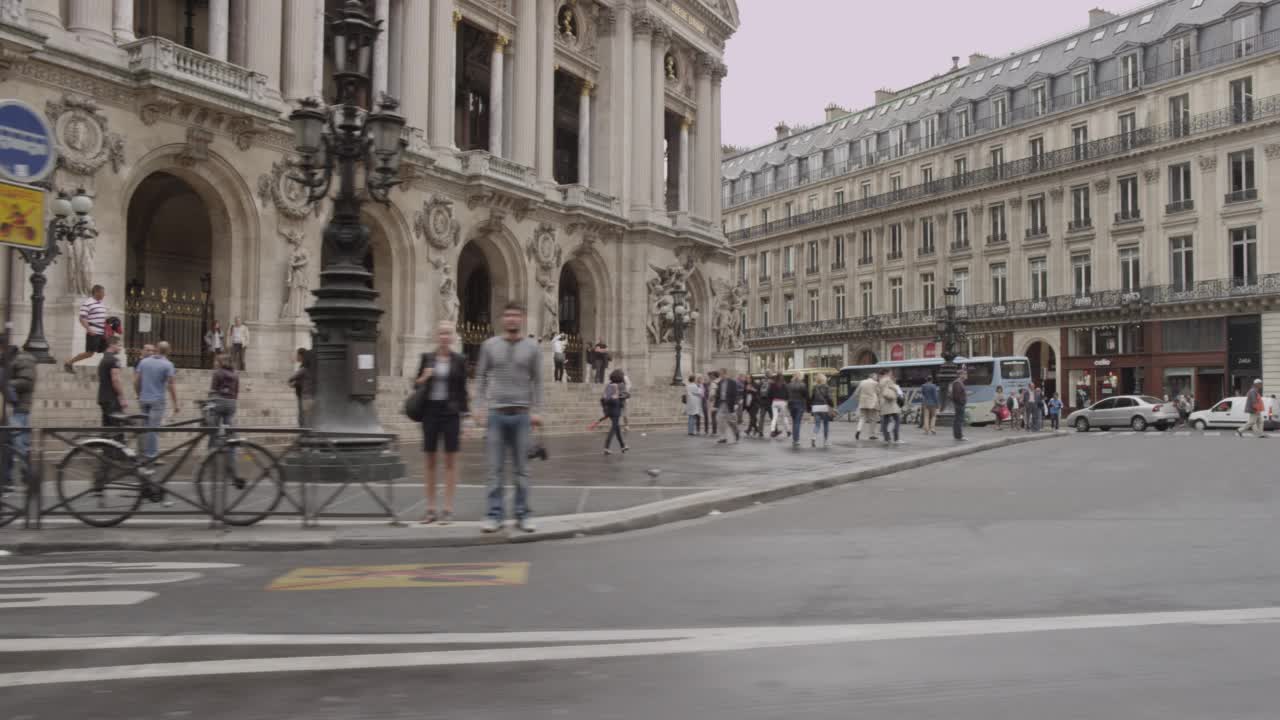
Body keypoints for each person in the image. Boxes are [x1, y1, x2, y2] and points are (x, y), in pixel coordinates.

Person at [475, 302, 543, 533]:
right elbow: (481, 377)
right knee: (494, 470)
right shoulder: (489, 345)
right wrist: (479, 406)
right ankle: (494, 515)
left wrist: (537, 410)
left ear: (522, 318)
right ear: (502, 319)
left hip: (522, 415)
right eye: (508, 315)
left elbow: (538, 381)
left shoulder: (532, 347)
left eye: (516, 315)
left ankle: (523, 515)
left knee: (522, 470)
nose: (512, 319)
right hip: (496, 414)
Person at [414, 321, 469, 525]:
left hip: (451, 413)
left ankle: (447, 509)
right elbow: (416, 385)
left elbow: (463, 392)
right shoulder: (427, 358)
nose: (445, 337)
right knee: (430, 462)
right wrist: (424, 377)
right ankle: (430, 509)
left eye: (448, 333)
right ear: (437, 336)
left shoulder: (460, 360)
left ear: (453, 337)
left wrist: (467, 419)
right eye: (441, 333)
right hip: (430, 411)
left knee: (450, 462)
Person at [134, 341, 179, 464]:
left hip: (144, 399)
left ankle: (142, 454)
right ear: (169, 351)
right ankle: (152, 456)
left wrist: (139, 395)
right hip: (158, 401)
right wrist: (176, 404)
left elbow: (136, 381)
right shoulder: (168, 365)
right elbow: (171, 385)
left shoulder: (144, 362)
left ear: (156, 349)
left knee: (145, 427)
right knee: (153, 429)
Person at [4, 345, 36, 480]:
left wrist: (6, 383)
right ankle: (10, 476)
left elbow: (26, 383)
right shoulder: (20, 360)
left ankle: (28, 474)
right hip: (17, 407)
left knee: (18, 443)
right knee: (14, 443)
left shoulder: (24, 360)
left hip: (19, 408)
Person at [65, 284, 107, 373]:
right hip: (93, 331)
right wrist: (89, 329)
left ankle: (103, 369)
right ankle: (69, 362)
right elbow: (82, 318)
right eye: (102, 293)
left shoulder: (101, 304)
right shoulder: (88, 303)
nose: (104, 295)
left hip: (102, 332)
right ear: (96, 292)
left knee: (107, 351)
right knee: (89, 353)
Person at [97, 337, 127, 427]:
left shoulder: (103, 360)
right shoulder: (114, 360)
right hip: (112, 399)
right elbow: (115, 380)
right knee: (117, 428)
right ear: (111, 345)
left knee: (107, 428)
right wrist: (122, 397)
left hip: (103, 397)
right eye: (119, 345)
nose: (120, 348)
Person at [601, 369, 628, 455]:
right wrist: (626, 395)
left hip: (609, 409)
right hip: (616, 408)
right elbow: (624, 395)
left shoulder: (609, 385)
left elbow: (603, 398)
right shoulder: (621, 385)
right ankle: (606, 447)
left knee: (617, 428)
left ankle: (623, 446)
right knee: (613, 428)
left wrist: (605, 411)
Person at [288, 348, 313, 427]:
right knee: (306, 417)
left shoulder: (303, 369)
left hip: (305, 396)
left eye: (297, 355)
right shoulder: (309, 369)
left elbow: (291, 379)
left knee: (303, 418)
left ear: (301, 356)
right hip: (308, 396)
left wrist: (293, 384)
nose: (296, 357)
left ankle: (304, 434)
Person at [810, 373, 834, 448]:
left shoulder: (814, 387)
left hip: (816, 407)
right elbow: (829, 398)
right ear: (824, 379)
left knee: (817, 424)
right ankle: (826, 441)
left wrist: (811, 407)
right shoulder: (827, 387)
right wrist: (832, 405)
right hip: (824, 407)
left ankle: (814, 437)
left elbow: (812, 398)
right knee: (826, 424)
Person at [854, 372, 880, 442]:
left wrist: (859, 400)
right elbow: (879, 392)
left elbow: (856, 393)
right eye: (876, 376)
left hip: (863, 403)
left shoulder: (862, 382)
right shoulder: (875, 383)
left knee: (862, 418)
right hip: (872, 403)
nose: (877, 378)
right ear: (873, 377)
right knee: (873, 419)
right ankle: (872, 435)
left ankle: (858, 430)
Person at [878, 370, 902, 445]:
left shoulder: (880, 381)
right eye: (890, 373)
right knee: (897, 420)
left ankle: (887, 438)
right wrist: (897, 392)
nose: (891, 374)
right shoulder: (888, 380)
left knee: (885, 422)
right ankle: (896, 438)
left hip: (883, 404)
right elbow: (894, 388)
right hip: (891, 403)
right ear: (887, 373)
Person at [717, 369, 741, 444]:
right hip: (722, 403)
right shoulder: (720, 383)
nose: (720, 376)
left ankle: (736, 432)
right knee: (719, 419)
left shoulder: (732, 382)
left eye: (721, 374)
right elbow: (718, 394)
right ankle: (723, 437)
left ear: (725, 374)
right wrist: (715, 404)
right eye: (720, 375)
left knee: (731, 421)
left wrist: (736, 403)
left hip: (730, 404)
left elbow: (736, 394)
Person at [786, 373, 807, 448]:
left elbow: (787, 395)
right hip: (800, 403)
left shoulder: (789, 385)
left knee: (794, 421)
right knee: (797, 422)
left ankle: (794, 439)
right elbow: (805, 395)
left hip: (791, 404)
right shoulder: (803, 385)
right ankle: (796, 439)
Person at [768, 373, 790, 439]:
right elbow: (787, 394)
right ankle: (788, 431)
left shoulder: (772, 385)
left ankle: (772, 430)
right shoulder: (784, 385)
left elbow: (769, 394)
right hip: (782, 402)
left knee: (774, 417)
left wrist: (771, 400)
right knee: (784, 417)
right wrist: (786, 400)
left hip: (774, 402)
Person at [950, 369, 969, 441]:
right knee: (959, 420)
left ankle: (958, 435)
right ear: (961, 375)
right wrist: (962, 401)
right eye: (965, 374)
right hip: (959, 405)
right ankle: (959, 435)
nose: (966, 376)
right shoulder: (957, 383)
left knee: (958, 420)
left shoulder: (959, 382)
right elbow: (956, 396)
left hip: (960, 404)